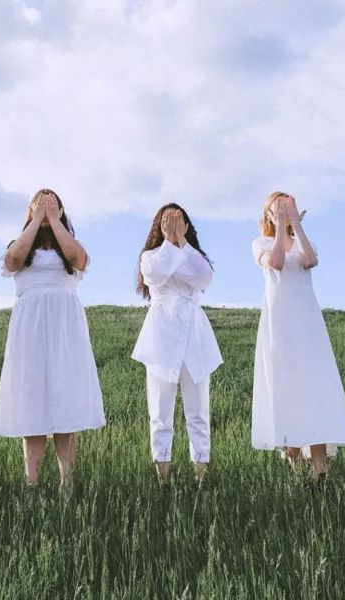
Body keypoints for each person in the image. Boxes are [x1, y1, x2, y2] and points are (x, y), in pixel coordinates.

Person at [0, 189, 106, 488]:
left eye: (51, 204)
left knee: (65, 400)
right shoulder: (20, 245)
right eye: (38, 205)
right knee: (32, 400)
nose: (45, 208)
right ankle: (32, 483)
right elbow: (14, 260)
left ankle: (67, 482)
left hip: (65, 327)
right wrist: (36, 220)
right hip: (30, 326)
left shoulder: (68, 245)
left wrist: (54, 221)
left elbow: (78, 259)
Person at [251, 192, 345, 483]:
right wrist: (280, 227)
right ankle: (292, 459)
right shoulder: (260, 243)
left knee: (314, 384)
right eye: (278, 209)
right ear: (268, 215)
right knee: (286, 384)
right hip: (279, 320)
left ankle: (320, 470)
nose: (284, 213)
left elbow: (310, 260)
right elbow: (276, 263)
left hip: (306, 319)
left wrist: (295, 225)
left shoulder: (302, 241)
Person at [132, 204, 222, 484]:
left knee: (198, 412)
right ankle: (163, 477)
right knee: (160, 412)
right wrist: (170, 243)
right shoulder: (150, 257)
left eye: (178, 220)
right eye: (167, 221)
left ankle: (201, 475)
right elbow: (155, 273)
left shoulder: (194, 256)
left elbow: (203, 277)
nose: (173, 225)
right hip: (161, 337)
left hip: (194, 337)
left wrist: (181, 241)